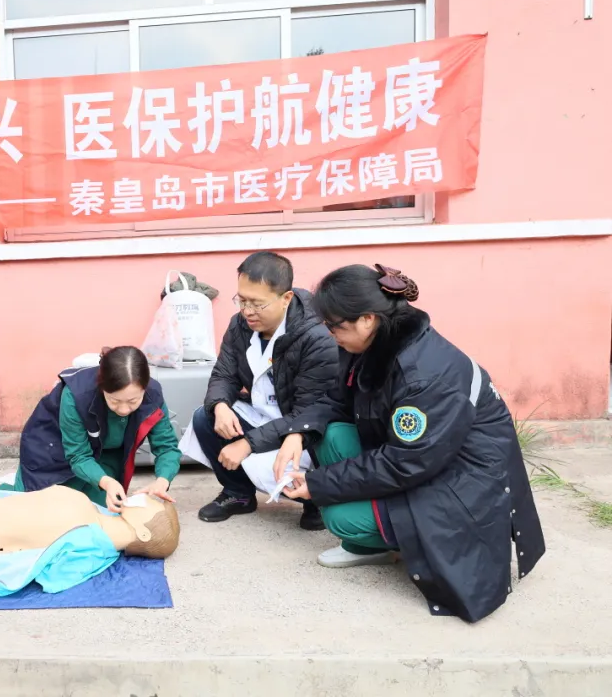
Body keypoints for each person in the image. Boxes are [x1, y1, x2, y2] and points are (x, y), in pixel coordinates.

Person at [279, 264, 545, 623]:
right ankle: (374, 543)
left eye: (334, 325)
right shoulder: (372, 344)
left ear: (368, 319)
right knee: (330, 434)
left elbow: (405, 463)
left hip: (460, 484)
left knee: (339, 517)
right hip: (428, 459)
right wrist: (297, 432)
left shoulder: (424, 375)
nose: (330, 333)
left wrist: (318, 484)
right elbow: (338, 400)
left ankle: (381, 542)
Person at [182, 252, 338, 529]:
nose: (247, 311)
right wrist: (220, 406)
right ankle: (238, 494)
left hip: (303, 429)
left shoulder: (316, 337)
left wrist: (247, 444)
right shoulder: (239, 325)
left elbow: (309, 412)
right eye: (242, 300)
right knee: (205, 418)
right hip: (264, 415)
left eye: (257, 303)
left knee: (275, 465)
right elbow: (224, 374)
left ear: (286, 298)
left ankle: (315, 500)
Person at [0, 486, 180, 596]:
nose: (145, 497)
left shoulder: (91, 549)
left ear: (143, 533)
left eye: (149, 504)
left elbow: (29, 565)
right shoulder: (103, 514)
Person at [14, 346, 182, 512]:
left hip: (103, 456)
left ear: (145, 389)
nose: (124, 410)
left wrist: (162, 480)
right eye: (114, 401)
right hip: (54, 453)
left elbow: (167, 447)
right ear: (102, 388)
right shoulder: (76, 395)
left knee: (103, 512)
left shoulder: (153, 396)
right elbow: (78, 455)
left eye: (133, 401)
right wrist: (107, 482)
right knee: (47, 512)